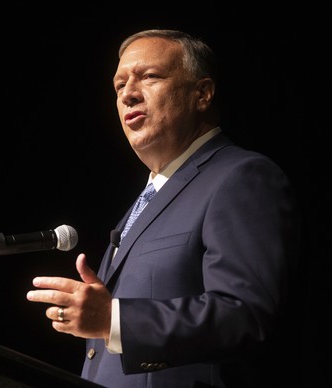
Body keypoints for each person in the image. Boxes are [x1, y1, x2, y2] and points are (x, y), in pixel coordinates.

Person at [26, 28, 301, 388]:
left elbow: (244, 314)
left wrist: (114, 320)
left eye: (149, 77)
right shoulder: (144, 202)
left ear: (202, 93)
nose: (128, 94)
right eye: (119, 85)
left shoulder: (241, 177)